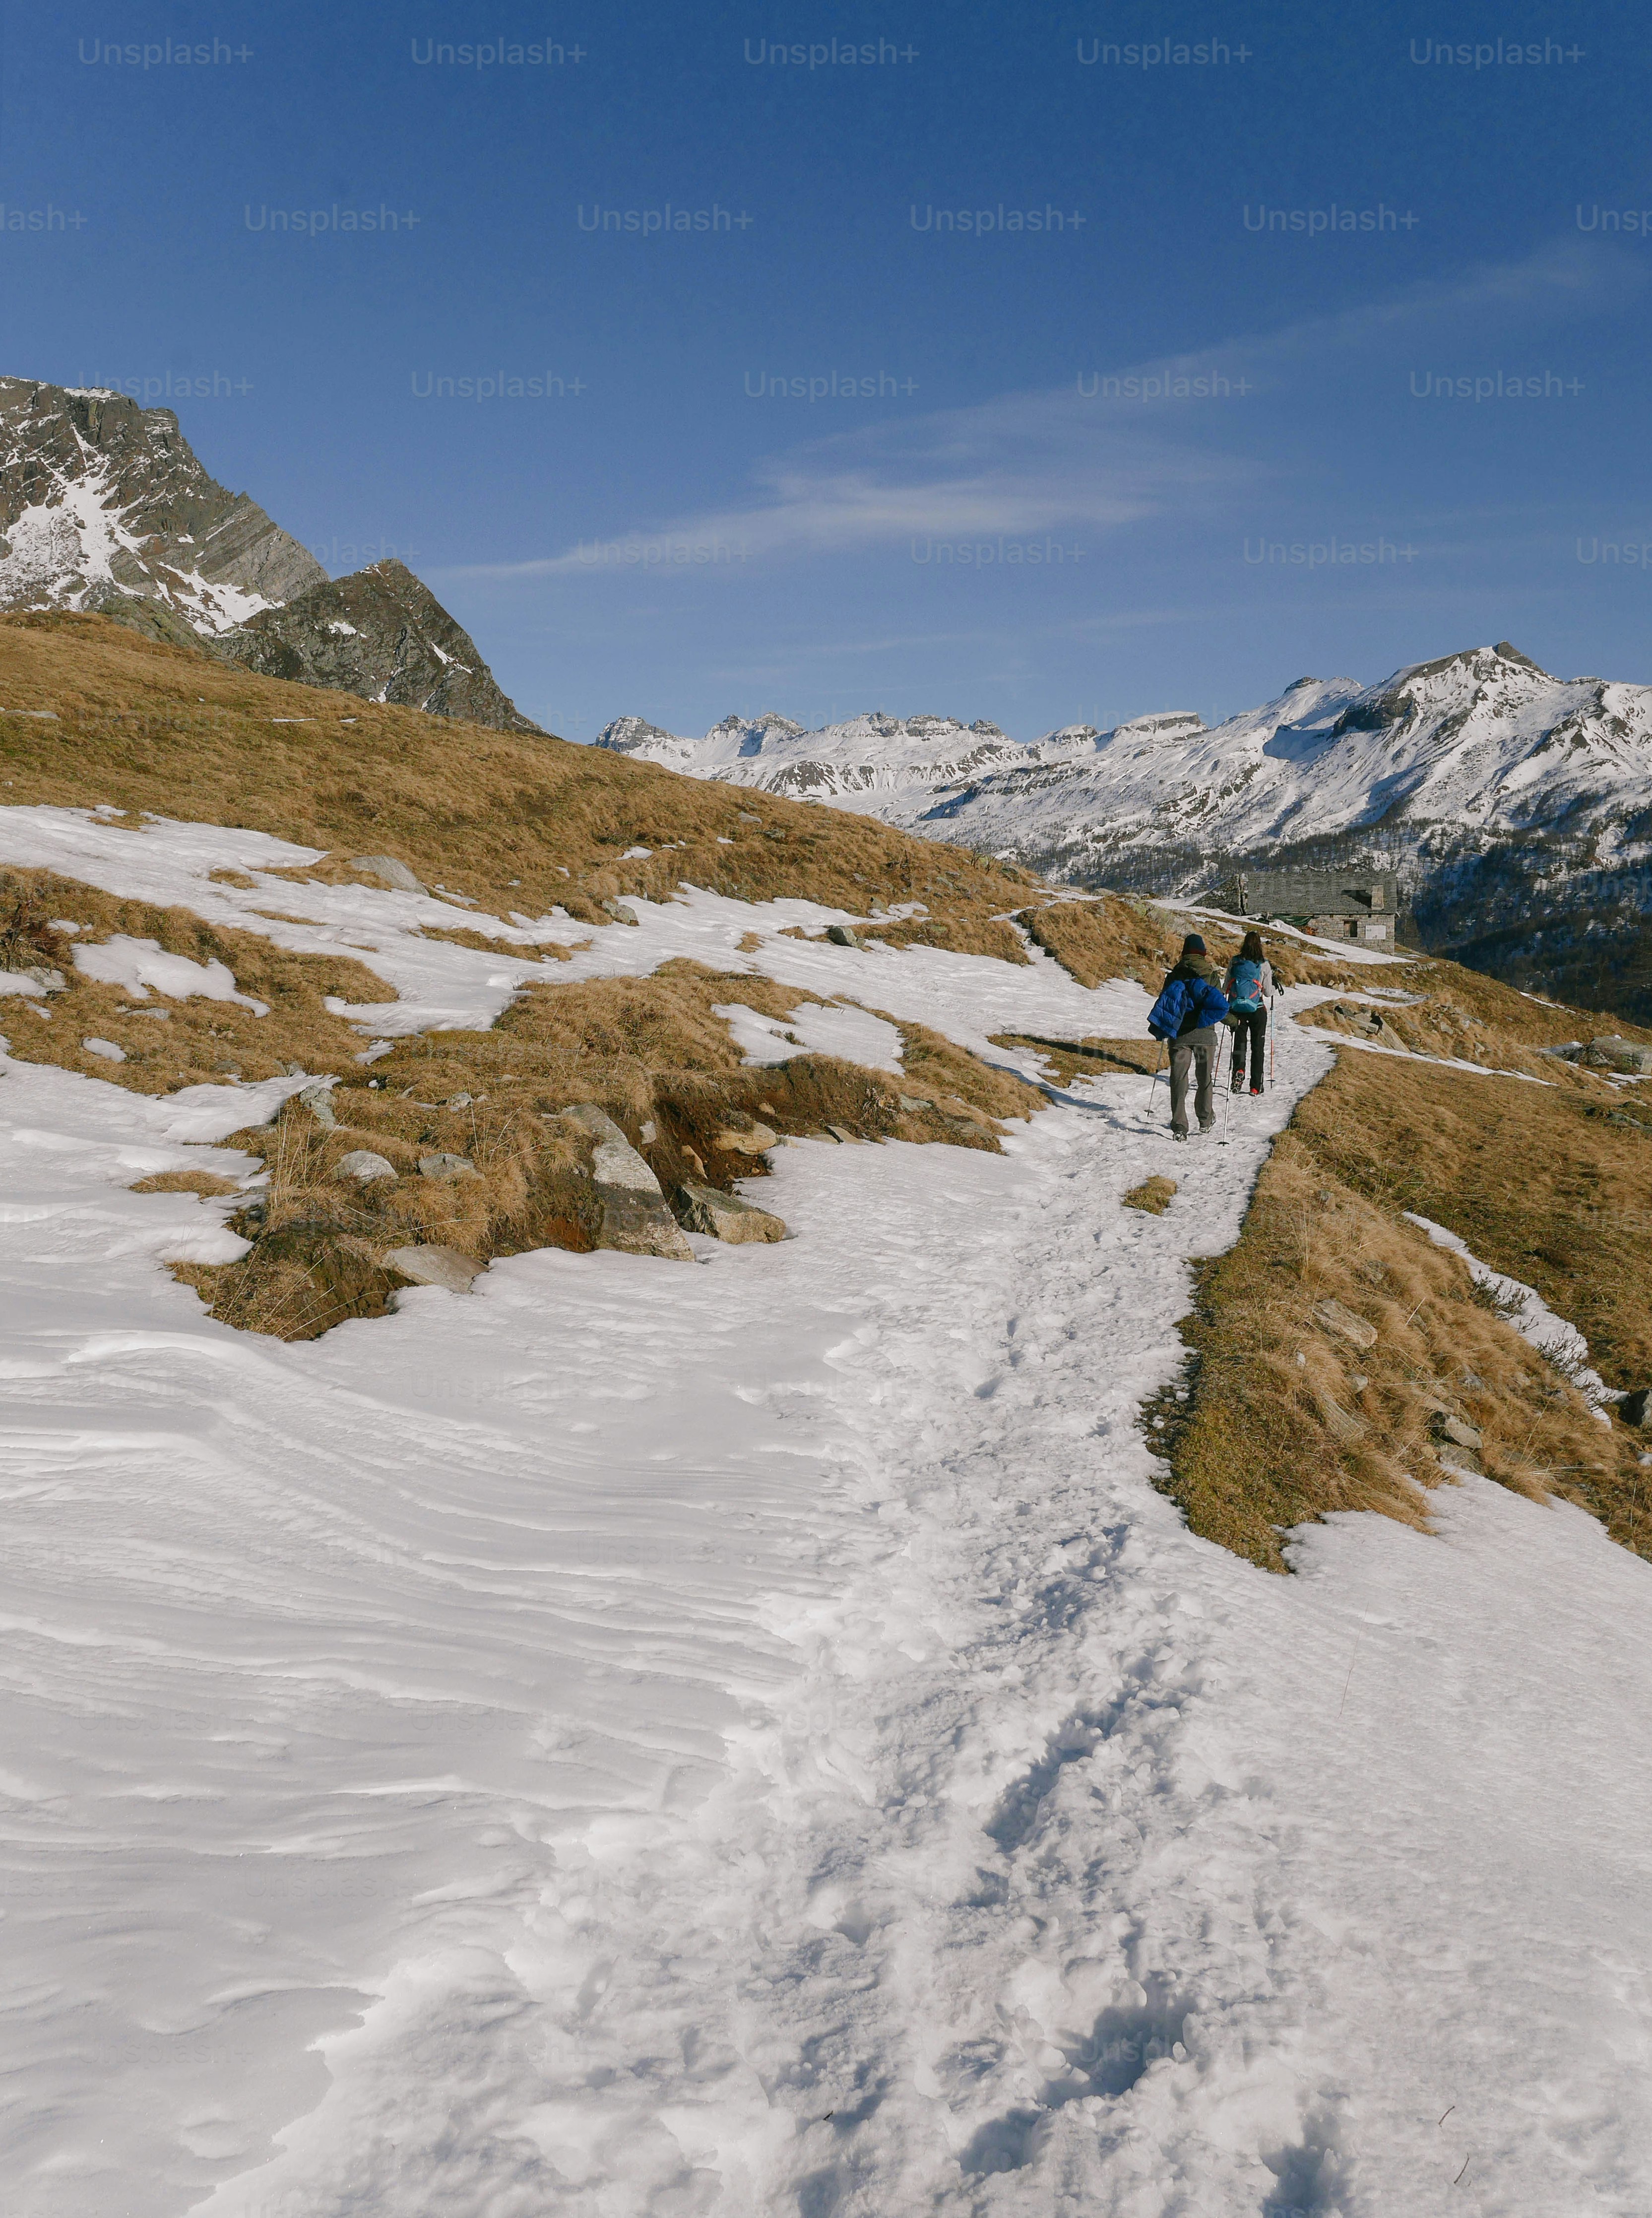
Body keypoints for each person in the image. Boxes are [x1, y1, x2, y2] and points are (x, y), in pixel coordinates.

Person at [1159, 932, 1228, 1139]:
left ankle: (1180, 1126)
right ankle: (1205, 1120)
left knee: (1179, 1079)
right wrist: (1232, 1022)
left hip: (1179, 1036)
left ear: (1185, 952)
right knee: (1204, 1078)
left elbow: (1166, 1002)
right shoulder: (1212, 975)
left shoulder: (1174, 974)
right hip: (1206, 1036)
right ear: (1203, 953)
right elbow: (1217, 1003)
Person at [1222, 929, 1274, 1096]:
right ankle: (1255, 1086)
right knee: (1258, 1048)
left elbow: (1226, 987)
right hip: (1257, 1009)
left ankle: (1239, 1072)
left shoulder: (1235, 962)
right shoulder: (1264, 964)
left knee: (1239, 1046)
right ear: (1259, 945)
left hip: (1237, 1010)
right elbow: (1267, 992)